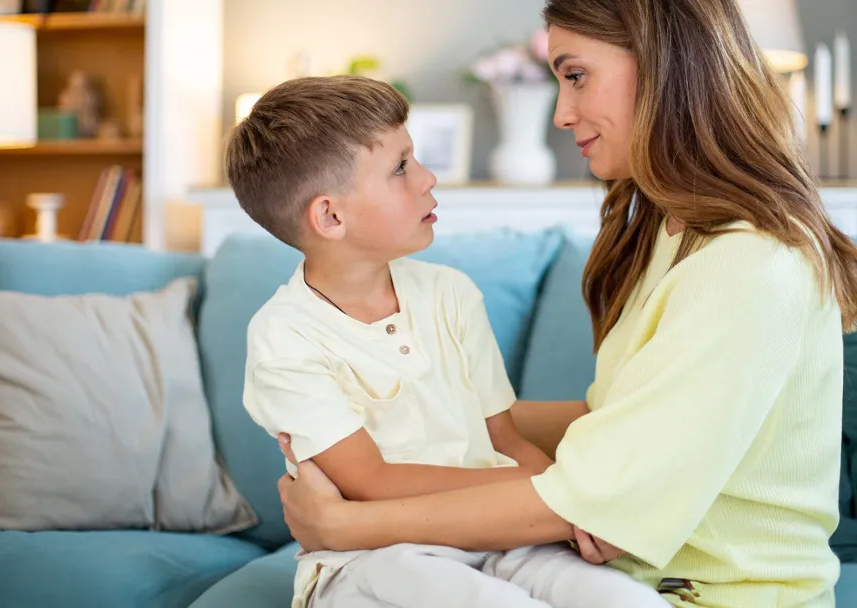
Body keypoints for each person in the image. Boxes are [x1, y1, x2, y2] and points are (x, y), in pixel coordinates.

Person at [273, 1, 857, 607]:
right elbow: (629, 423)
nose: (561, 113)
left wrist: (341, 526)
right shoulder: (673, 230)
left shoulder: (749, 265)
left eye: (575, 75)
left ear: (665, 67)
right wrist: (371, 422)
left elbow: (585, 495)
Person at [225, 75, 671, 608]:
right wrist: (535, 499)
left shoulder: (450, 295)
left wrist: (574, 510)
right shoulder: (285, 336)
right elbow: (370, 481)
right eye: (400, 168)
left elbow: (503, 441)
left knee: (628, 602)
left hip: (497, 538)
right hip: (373, 556)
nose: (428, 178)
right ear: (330, 215)